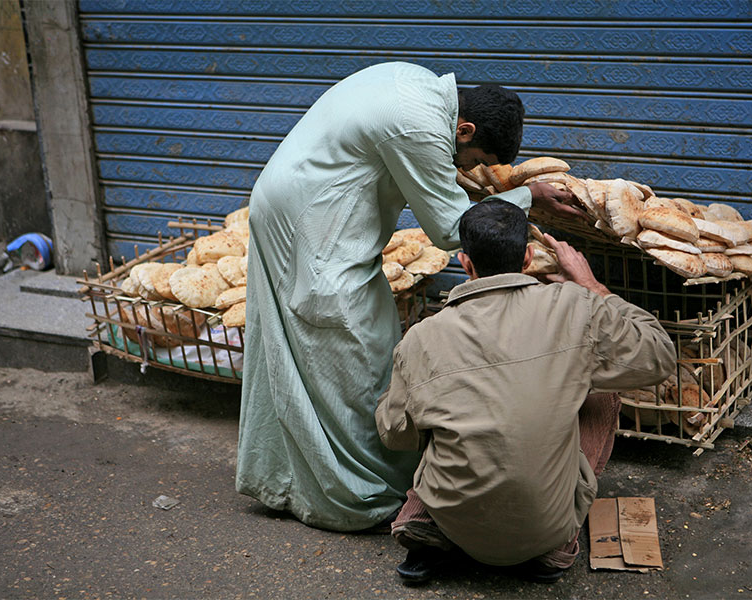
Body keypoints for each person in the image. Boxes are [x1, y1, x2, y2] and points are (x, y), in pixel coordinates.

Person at [236, 61, 581, 532]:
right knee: (350, 343)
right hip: (310, 222)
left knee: (318, 345)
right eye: (475, 158)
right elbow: (448, 229)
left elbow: (431, 174)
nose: (471, 169)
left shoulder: (420, 87)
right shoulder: (417, 126)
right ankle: (359, 494)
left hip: (296, 202)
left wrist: (522, 187)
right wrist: (527, 200)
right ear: (464, 129)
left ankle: (298, 478)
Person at [374, 199, 677, 583]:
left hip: (458, 523)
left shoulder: (420, 339)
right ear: (529, 258)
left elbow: (394, 434)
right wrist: (591, 284)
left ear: (465, 264)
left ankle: (421, 519)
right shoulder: (575, 305)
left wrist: (423, 394)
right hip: (545, 528)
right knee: (602, 392)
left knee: (431, 418)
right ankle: (552, 547)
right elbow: (659, 355)